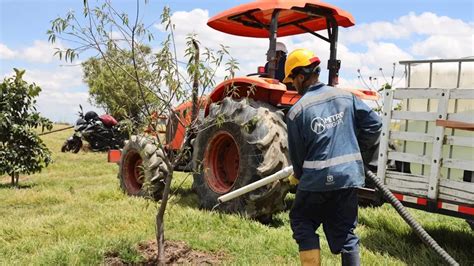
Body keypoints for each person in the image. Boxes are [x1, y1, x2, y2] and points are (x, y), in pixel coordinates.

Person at [284, 48, 382, 266]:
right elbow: (375, 124)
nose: (292, 85)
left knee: (302, 220)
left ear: (301, 76)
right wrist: (357, 151)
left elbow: (298, 156)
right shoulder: (346, 97)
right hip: (348, 178)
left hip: (316, 181)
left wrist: (298, 176)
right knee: (346, 232)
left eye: (292, 79)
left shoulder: (297, 111)